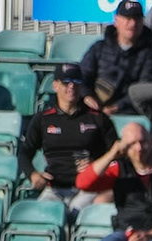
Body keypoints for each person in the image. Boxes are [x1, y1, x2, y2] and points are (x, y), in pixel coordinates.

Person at [20, 65, 116, 207]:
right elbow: (24, 152)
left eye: (76, 82)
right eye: (66, 82)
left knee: (79, 211)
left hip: (89, 187)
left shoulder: (97, 118)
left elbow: (117, 154)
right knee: (41, 214)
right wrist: (32, 174)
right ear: (55, 85)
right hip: (55, 188)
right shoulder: (43, 119)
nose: (71, 87)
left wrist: (96, 164)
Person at [86, 124, 152, 241]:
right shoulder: (119, 170)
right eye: (132, 144)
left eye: (143, 142)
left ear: (151, 140)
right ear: (124, 148)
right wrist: (111, 154)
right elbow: (84, 183)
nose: (139, 148)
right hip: (126, 233)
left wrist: (150, 234)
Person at [80, 0, 152, 113]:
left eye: (137, 19)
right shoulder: (99, 48)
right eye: (127, 18)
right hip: (93, 111)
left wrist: (117, 107)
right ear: (116, 20)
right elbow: (82, 76)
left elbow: (145, 90)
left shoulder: (151, 55)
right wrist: (87, 97)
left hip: (130, 114)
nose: (132, 24)